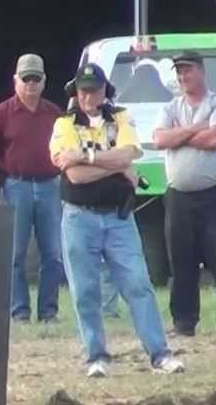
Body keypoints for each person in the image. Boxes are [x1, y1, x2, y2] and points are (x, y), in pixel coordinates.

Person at [50, 63, 186, 377]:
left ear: (104, 90)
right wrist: (117, 167)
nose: (87, 96)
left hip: (118, 217)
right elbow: (75, 176)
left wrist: (89, 156)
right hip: (79, 217)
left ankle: (160, 354)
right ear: (76, 93)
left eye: (93, 90)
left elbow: (129, 155)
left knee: (138, 284)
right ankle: (96, 356)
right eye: (82, 91)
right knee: (85, 290)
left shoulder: (121, 117)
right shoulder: (64, 123)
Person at [152, 50, 216, 335]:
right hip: (179, 197)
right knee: (180, 261)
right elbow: (159, 139)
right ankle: (184, 322)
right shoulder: (170, 108)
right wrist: (196, 128)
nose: (182, 76)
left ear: (202, 71)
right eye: (179, 72)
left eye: (187, 70)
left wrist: (180, 136)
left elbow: (214, 139)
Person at [0, 53, 65, 323]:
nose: (30, 84)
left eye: (36, 78)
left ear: (44, 81)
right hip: (16, 186)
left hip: (50, 186)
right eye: (25, 79)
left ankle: (49, 311)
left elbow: (67, 151)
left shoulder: (55, 114)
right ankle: (19, 311)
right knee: (15, 254)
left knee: (53, 254)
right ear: (15, 80)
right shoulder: (0, 114)